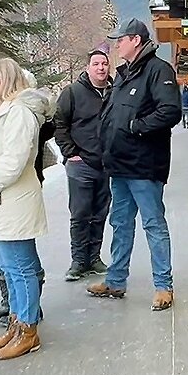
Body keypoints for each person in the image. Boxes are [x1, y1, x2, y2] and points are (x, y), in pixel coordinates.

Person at [87, 18, 182, 312]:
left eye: (121, 39)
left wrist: (137, 126)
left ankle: (163, 286)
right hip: (120, 166)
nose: (117, 44)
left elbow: (170, 111)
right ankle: (116, 281)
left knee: (153, 224)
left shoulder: (158, 71)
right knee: (120, 223)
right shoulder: (125, 74)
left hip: (144, 165)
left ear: (136, 41)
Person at [0, 58, 55, 361]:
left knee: (20, 268)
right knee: (9, 267)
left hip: (11, 201)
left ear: (2, 81)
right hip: (1, 203)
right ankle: (17, 324)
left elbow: (15, 160)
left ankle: (28, 330)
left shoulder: (19, 113)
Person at [54, 50, 113, 281]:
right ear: (88, 67)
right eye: (96, 63)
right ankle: (78, 260)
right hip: (81, 164)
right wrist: (70, 153)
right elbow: (60, 123)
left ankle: (94, 258)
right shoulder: (72, 92)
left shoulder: (114, 92)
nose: (101, 68)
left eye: (105, 63)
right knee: (80, 214)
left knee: (100, 213)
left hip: (106, 165)